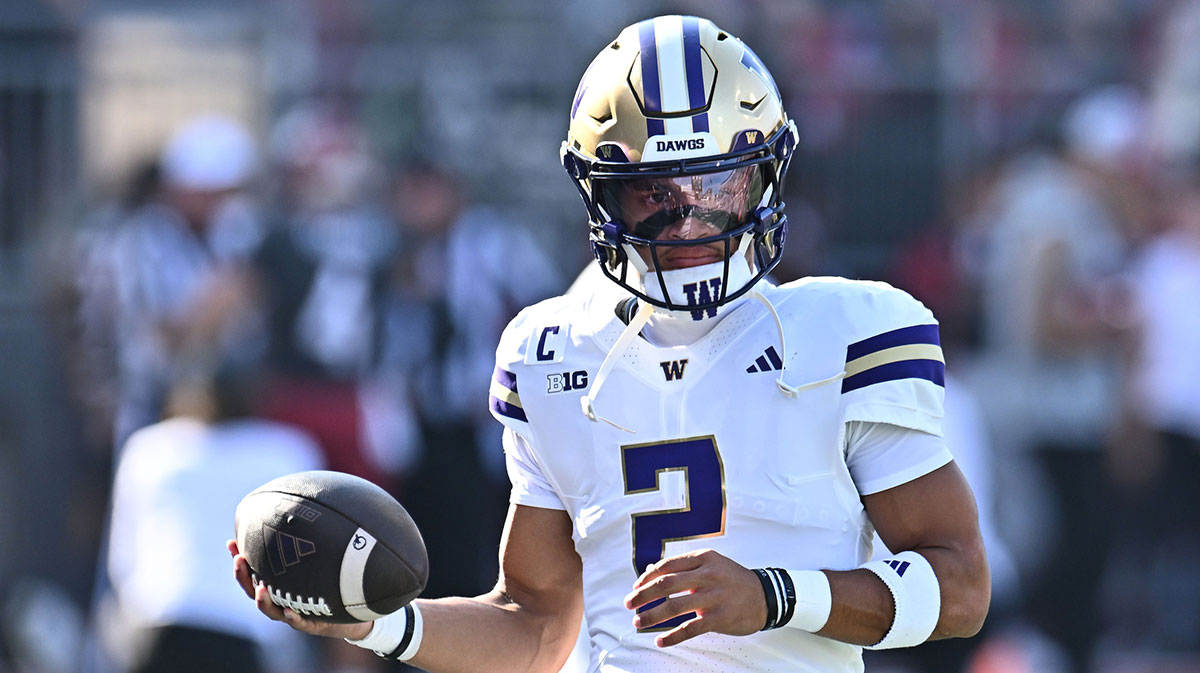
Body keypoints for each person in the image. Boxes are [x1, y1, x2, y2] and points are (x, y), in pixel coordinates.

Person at [229, 16, 990, 672]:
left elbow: (958, 589)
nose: (688, 222)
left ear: (764, 175)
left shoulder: (849, 331)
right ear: (598, 193)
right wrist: (378, 625)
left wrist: (773, 595)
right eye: (655, 194)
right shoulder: (552, 351)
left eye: (714, 186)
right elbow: (535, 625)